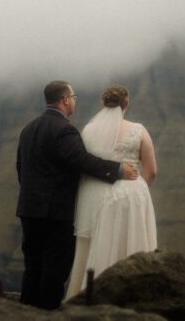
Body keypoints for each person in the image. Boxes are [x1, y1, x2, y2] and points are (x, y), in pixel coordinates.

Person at [16, 80, 139, 310]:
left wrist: (32, 197)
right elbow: (81, 161)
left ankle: (25, 311)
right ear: (65, 100)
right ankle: (46, 313)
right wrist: (119, 170)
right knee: (55, 268)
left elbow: (20, 167)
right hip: (56, 212)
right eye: (73, 97)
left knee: (32, 266)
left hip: (29, 209)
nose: (74, 101)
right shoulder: (64, 130)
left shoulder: (28, 129)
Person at [65, 84, 157, 299]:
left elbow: (86, 165)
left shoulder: (88, 130)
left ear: (104, 103)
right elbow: (151, 170)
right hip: (133, 196)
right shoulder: (138, 130)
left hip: (98, 197)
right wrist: (137, 191)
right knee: (133, 246)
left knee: (101, 244)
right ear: (126, 104)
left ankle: (90, 296)